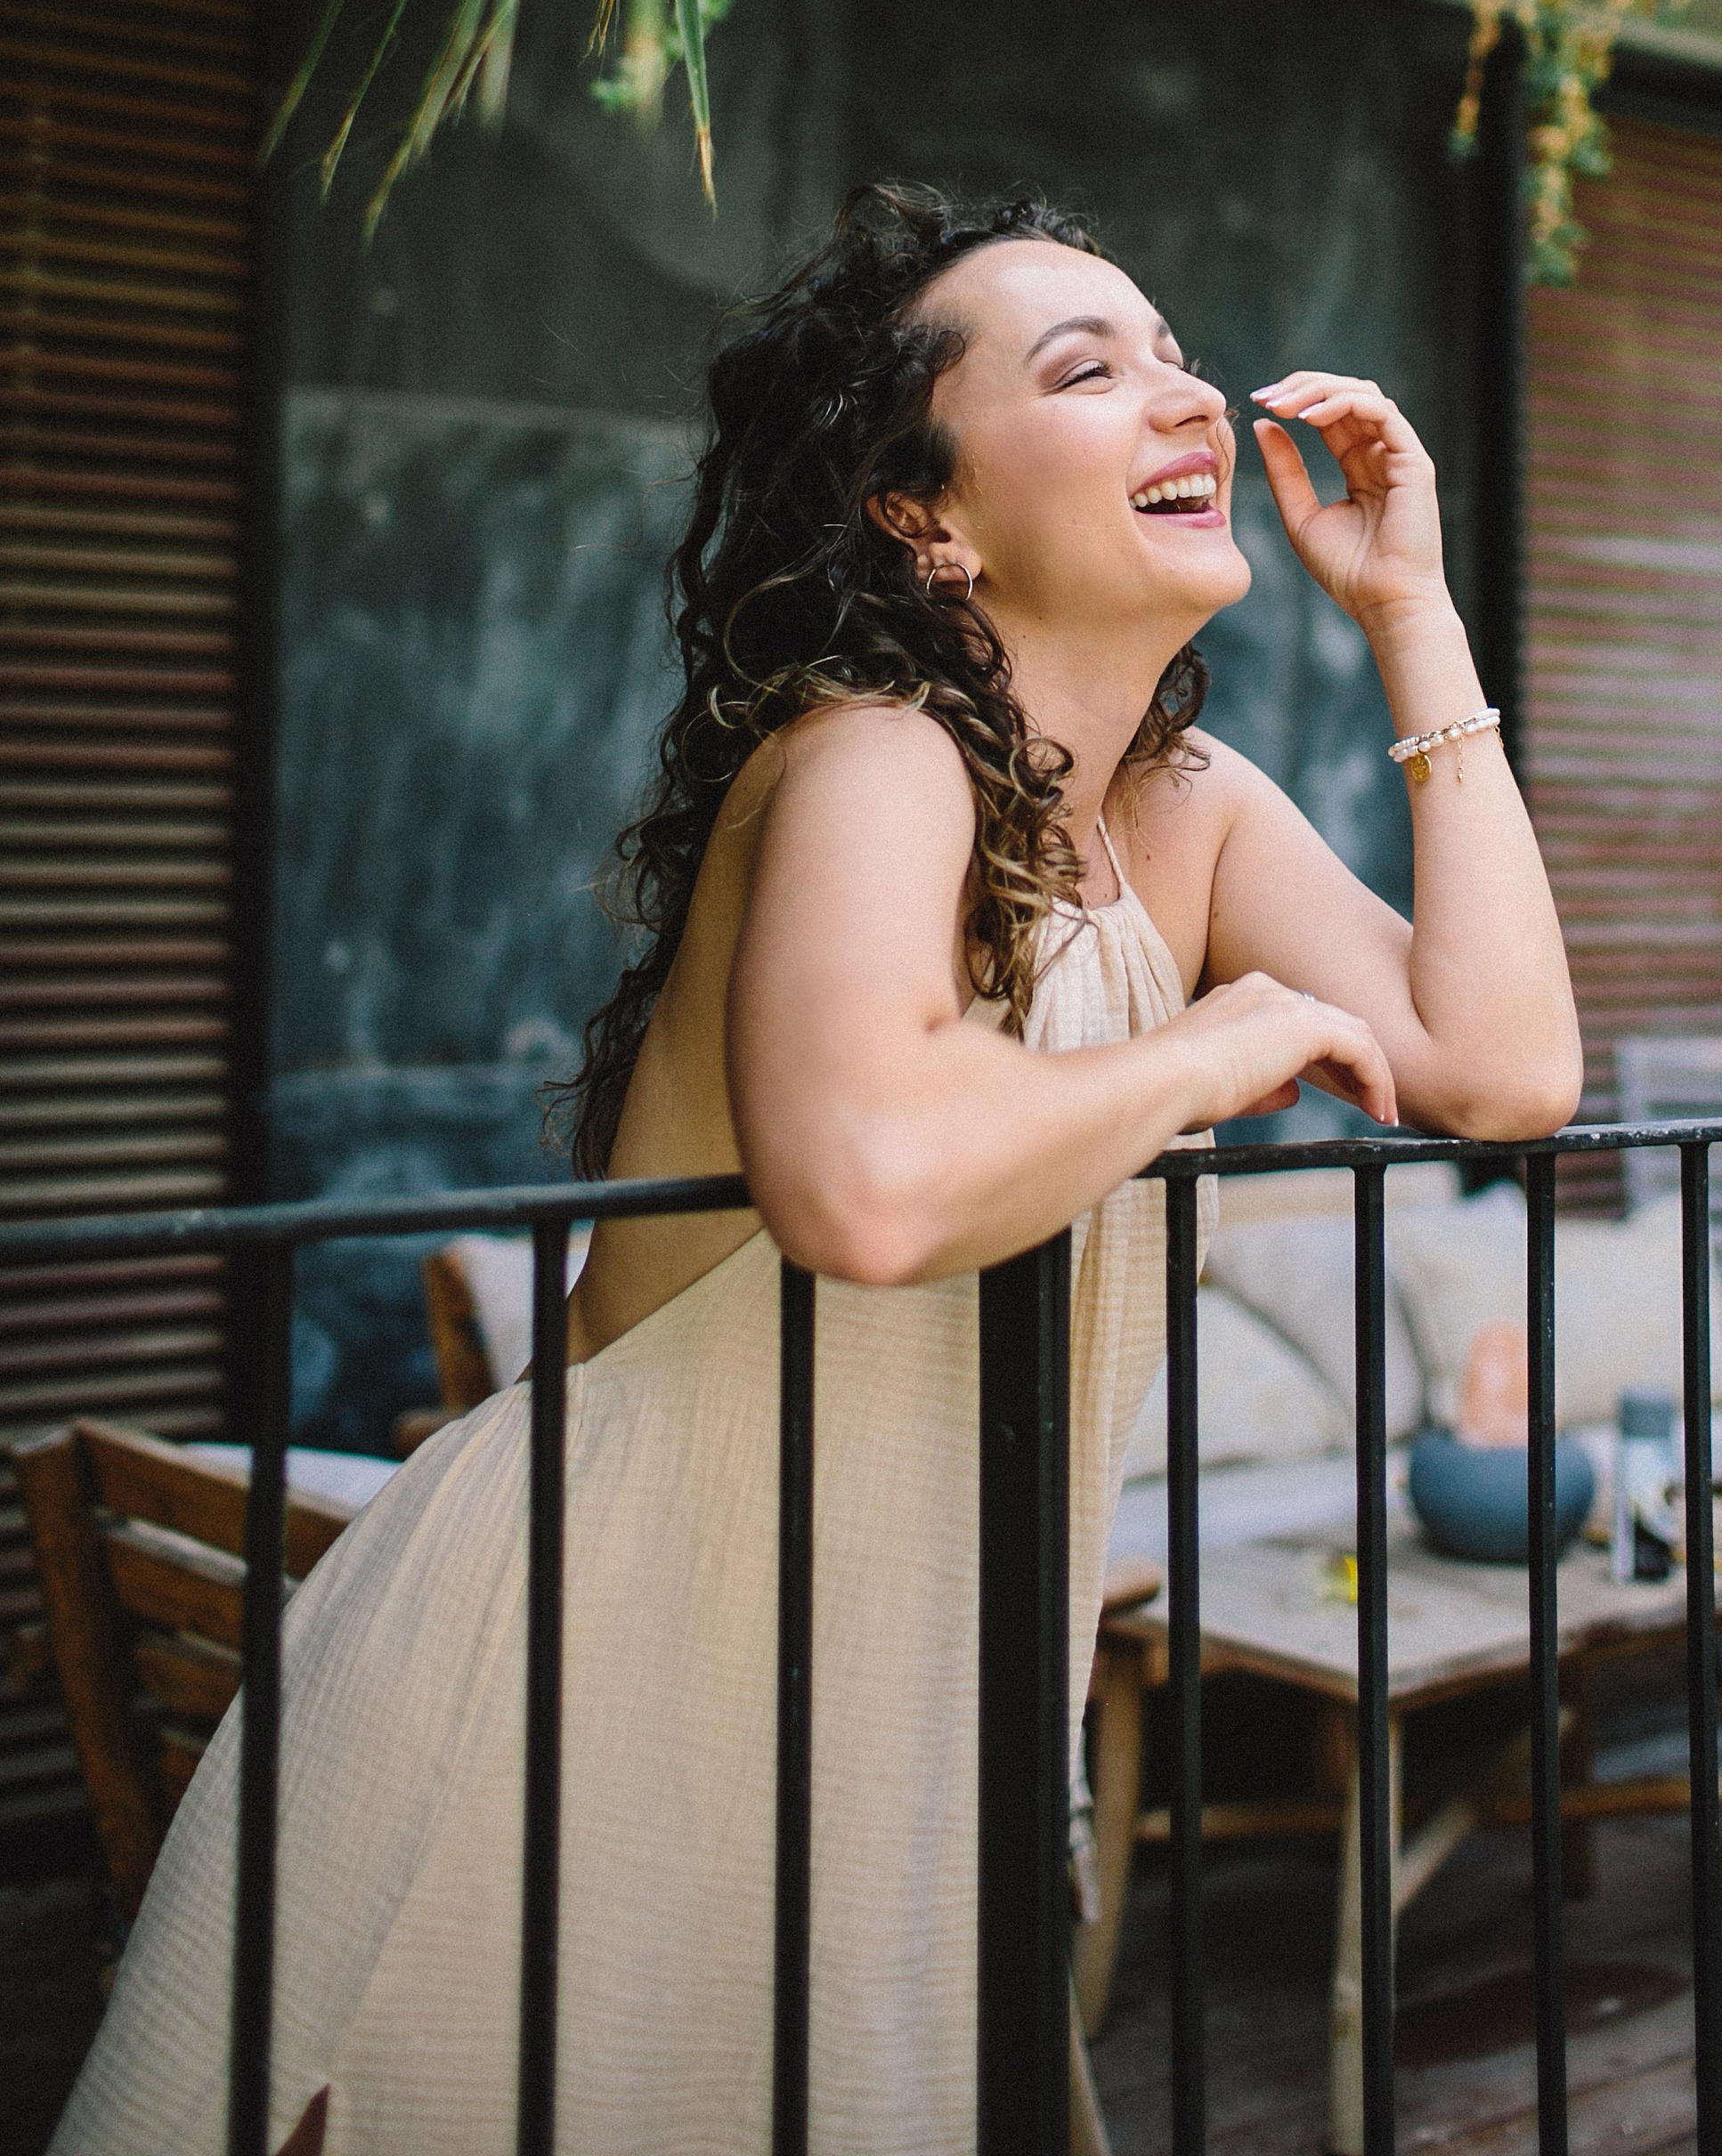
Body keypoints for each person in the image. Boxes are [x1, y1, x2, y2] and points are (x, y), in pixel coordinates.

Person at [58, 183, 1580, 2156]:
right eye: (1082, 366)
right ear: (920, 511)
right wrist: (1211, 1045)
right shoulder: (865, 752)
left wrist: (1411, 609)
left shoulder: (1181, 814)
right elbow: (865, 1177)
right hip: (582, 1700)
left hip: (885, 1731)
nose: (1178, 394)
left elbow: (1506, 1067)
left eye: (1173, 351)